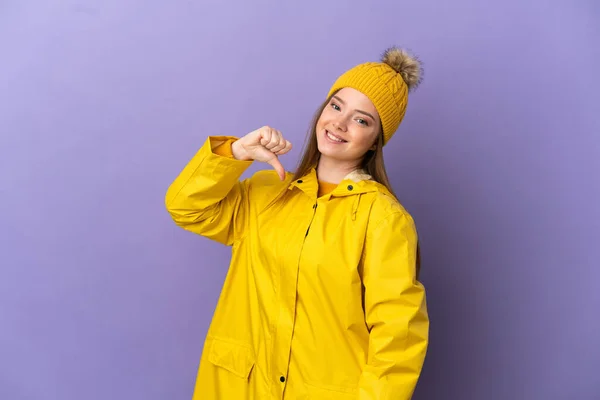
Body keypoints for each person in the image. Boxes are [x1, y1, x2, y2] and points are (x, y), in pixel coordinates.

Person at [165, 46, 429, 400]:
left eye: (361, 119)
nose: (339, 123)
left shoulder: (383, 220)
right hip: (239, 387)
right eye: (336, 106)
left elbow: (398, 338)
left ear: (374, 142)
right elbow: (186, 207)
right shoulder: (265, 193)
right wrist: (237, 153)